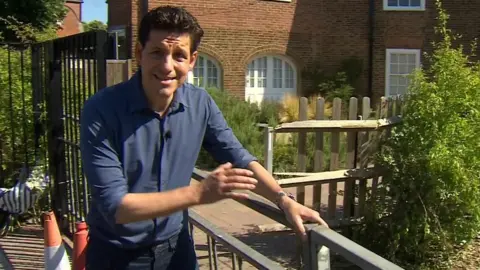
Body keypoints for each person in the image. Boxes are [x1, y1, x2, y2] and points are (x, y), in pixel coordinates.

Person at [80, 5, 328, 270]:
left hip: (177, 251)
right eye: (157, 52)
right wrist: (198, 193)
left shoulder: (200, 104)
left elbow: (238, 157)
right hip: (116, 256)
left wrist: (283, 200)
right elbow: (116, 207)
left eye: (178, 55)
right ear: (140, 53)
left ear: (192, 60)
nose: (167, 66)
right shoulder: (102, 110)